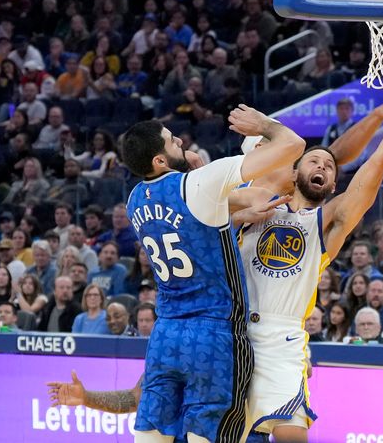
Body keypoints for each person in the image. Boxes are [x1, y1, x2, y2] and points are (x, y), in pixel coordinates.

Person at [237, 69, 383, 441]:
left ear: (333, 183)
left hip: (281, 338)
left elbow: (377, 161)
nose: (322, 166)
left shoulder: (328, 219)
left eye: (329, 167)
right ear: (293, 169)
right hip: (232, 332)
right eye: (314, 161)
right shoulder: (254, 198)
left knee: (291, 435)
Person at [121, 109, 305, 443]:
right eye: (171, 139)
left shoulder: (133, 201)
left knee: (150, 430)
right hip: (213, 332)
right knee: (208, 433)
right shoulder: (200, 183)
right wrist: (263, 126)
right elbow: (294, 145)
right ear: (160, 160)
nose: (179, 139)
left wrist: (238, 212)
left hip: (165, 333)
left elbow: (200, 220)